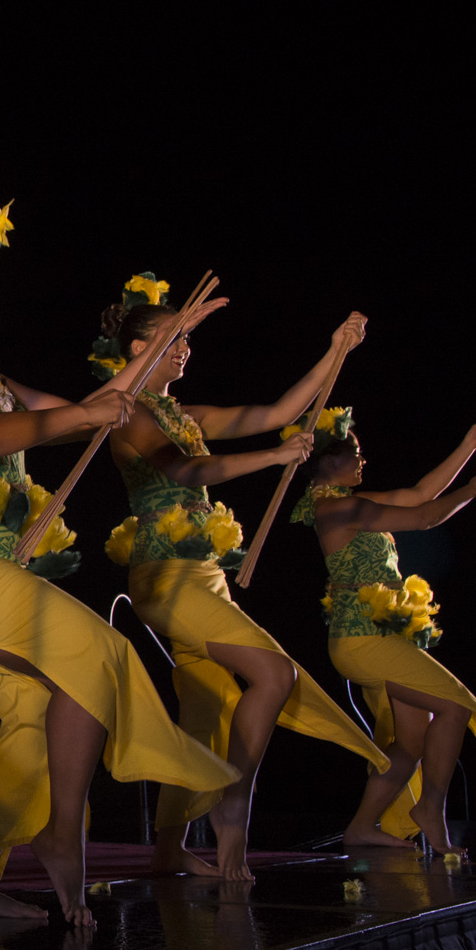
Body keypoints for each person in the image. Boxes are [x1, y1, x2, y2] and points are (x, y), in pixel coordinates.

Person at [0, 204, 239, 928]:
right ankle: (62, 834)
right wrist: (74, 419)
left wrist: (163, 342)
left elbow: (93, 408)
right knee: (99, 652)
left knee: (36, 713)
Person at [96, 283, 387, 880]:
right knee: (274, 673)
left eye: (186, 340)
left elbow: (277, 415)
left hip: (206, 574)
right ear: (136, 346)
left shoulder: (185, 413)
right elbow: (187, 469)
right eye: (173, 339)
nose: (185, 349)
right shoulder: (127, 413)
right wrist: (271, 460)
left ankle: (168, 848)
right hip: (167, 575)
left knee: (204, 715)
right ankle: (234, 811)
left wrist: (336, 352)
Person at [295, 406, 476, 852]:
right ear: (329, 462)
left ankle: (362, 826)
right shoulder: (339, 507)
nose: (362, 460)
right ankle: (430, 807)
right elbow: (423, 519)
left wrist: (469, 446)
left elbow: (417, 494)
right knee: (455, 707)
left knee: (411, 741)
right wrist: (471, 493)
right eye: (354, 453)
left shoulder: (347, 501)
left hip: (377, 636)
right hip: (363, 639)